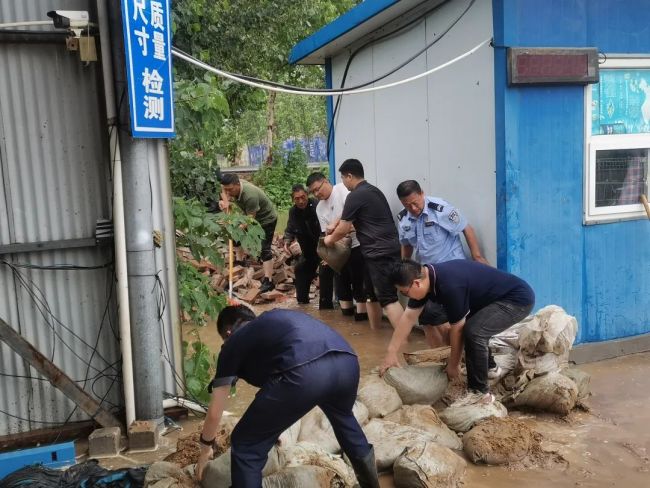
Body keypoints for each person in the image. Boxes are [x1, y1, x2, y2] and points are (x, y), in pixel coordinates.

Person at [195, 305, 380, 488]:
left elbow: (214, 412)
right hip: (346, 362)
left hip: (305, 374)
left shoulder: (232, 344)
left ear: (228, 333)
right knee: (344, 421)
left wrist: (205, 451)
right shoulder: (272, 324)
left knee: (246, 445)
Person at [380, 259, 534, 405]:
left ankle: (479, 393)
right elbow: (408, 318)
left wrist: (453, 365)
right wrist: (391, 353)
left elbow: (458, 330)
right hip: (490, 300)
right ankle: (490, 368)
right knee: (473, 328)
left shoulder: (449, 285)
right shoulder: (425, 279)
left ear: (416, 283)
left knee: (474, 332)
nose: (406, 296)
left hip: (517, 300)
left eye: (404, 293)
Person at [396, 179, 489, 347]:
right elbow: (406, 245)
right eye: (407, 205)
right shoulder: (404, 219)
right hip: (427, 275)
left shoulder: (440, 209)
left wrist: (477, 257)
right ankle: (438, 358)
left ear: (422, 193)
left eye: (415, 203)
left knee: (447, 323)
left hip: (451, 274)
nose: (413, 209)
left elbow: (466, 228)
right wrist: (405, 269)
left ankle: (453, 359)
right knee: (427, 321)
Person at [324, 159, 402, 329]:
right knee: (371, 295)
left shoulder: (355, 195)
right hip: (387, 249)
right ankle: (375, 334)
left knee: (388, 298)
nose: (343, 183)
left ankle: (403, 342)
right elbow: (352, 218)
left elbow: (344, 229)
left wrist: (328, 240)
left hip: (378, 252)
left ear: (349, 176)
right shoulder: (374, 191)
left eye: (343, 178)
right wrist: (336, 224)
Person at [306, 172, 368, 320]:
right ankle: (347, 320)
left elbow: (354, 213)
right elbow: (325, 233)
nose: (316, 193)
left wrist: (337, 226)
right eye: (313, 192)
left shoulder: (342, 190)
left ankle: (362, 316)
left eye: (317, 188)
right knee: (342, 283)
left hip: (357, 244)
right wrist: (328, 256)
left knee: (359, 281)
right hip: (338, 249)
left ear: (326, 181)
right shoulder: (319, 208)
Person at [218, 173, 277, 293]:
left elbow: (250, 220)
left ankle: (268, 281)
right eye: (226, 189)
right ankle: (240, 262)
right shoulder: (229, 188)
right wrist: (226, 202)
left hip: (266, 219)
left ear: (237, 185)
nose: (227, 192)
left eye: (230, 190)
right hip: (248, 216)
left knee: (264, 248)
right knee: (235, 237)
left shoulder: (250, 196)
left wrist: (234, 228)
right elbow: (223, 189)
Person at [283, 184, 335, 309]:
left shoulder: (318, 206)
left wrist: (327, 254)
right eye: (297, 199)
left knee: (324, 273)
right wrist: (287, 241)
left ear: (307, 195)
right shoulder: (293, 212)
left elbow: (327, 230)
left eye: (303, 197)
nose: (301, 201)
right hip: (308, 252)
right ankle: (303, 304)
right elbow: (290, 229)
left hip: (324, 249)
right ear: (293, 199)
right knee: (300, 269)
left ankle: (326, 308)